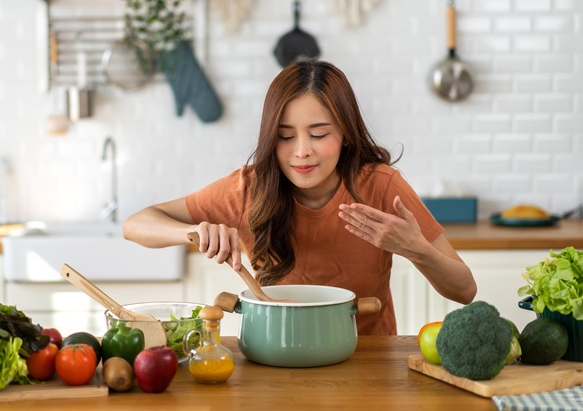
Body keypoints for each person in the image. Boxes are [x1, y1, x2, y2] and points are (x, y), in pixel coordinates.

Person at [123, 59, 477, 335]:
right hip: (274, 359)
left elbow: (465, 290)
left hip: (368, 363)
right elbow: (135, 224)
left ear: (346, 134)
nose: (301, 152)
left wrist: (416, 248)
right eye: (286, 136)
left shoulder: (380, 187)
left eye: (319, 133)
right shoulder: (249, 188)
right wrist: (196, 232)